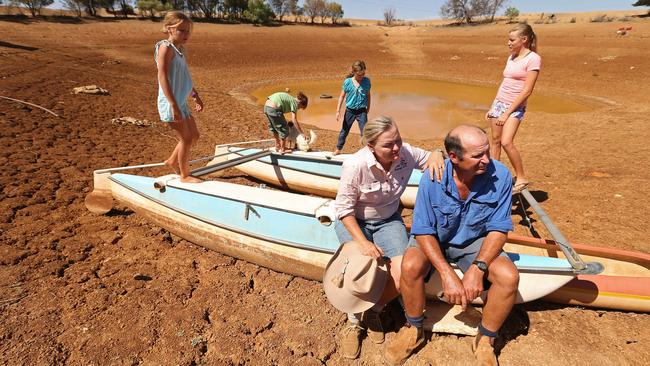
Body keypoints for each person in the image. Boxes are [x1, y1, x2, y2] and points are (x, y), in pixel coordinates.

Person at [386, 125, 518, 366]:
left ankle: (486, 339)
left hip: (474, 240)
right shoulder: (433, 176)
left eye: (487, 151)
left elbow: (499, 228)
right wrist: (447, 273)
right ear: (454, 157)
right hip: (435, 238)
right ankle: (413, 328)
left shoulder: (501, 175)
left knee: (508, 276)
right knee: (411, 264)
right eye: (478, 155)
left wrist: (478, 268)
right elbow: (423, 230)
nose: (487, 160)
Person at [332, 116, 444, 359]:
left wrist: (436, 151)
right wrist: (363, 243)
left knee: (402, 268)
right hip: (356, 221)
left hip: (388, 219)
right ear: (371, 146)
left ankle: (373, 310)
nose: (396, 148)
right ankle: (354, 321)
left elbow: (430, 159)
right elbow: (343, 211)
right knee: (358, 267)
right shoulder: (355, 165)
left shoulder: (405, 153)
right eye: (388, 145)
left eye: (398, 140)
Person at [486, 23, 541, 193]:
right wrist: (493, 106)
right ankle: (492, 175)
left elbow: (527, 91)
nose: (508, 43)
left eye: (511, 40)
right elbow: (505, 83)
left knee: (506, 142)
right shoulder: (511, 57)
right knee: (494, 141)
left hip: (514, 106)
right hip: (499, 103)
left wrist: (507, 113)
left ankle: (521, 177)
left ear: (523, 39)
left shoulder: (533, 58)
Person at [155, 11, 204, 183]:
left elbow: (184, 77)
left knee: (194, 135)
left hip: (181, 101)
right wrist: (173, 104)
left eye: (187, 31)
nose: (186, 34)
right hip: (171, 102)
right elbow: (163, 77)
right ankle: (184, 175)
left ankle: (172, 161)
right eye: (181, 30)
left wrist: (195, 95)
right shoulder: (165, 48)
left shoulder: (180, 50)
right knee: (186, 138)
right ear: (169, 29)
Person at [333, 60, 371, 156]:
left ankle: (366, 152)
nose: (361, 77)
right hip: (350, 111)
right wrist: (338, 111)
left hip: (362, 111)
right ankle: (338, 148)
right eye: (359, 75)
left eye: (363, 74)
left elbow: (368, 95)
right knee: (344, 131)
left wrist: (368, 108)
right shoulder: (347, 82)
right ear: (354, 72)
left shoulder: (366, 81)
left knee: (365, 133)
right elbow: (341, 96)